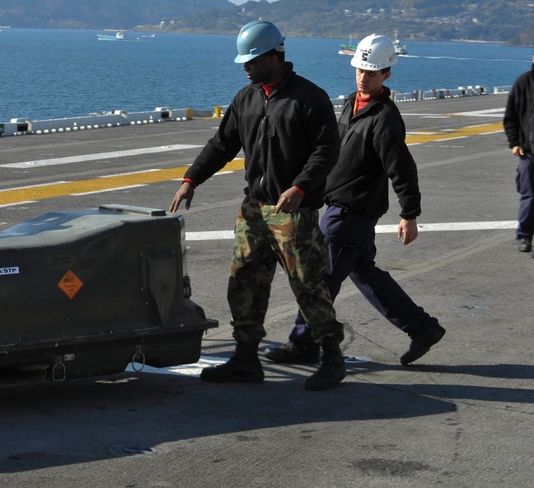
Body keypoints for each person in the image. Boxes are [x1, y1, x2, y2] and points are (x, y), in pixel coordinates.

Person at [169, 20, 346, 391]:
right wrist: (191, 178)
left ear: (273, 56)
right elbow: (222, 144)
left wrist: (300, 187)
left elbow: (327, 151)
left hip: (293, 212)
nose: (245, 67)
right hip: (254, 209)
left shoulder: (309, 98)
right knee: (244, 282)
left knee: (308, 285)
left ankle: (332, 357)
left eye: (251, 60)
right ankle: (246, 358)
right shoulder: (245, 98)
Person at [265, 34, 446, 367]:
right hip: (339, 207)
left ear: (387, 74)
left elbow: (401, 168)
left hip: (351, 212)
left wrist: (410, 214)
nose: (364, 76)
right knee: (365, 273)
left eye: (372, 72)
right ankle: (423, 329)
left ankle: (303, 344)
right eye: (361, 69)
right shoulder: (351, 103)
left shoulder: (385, 118)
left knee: (319, 279)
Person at [504, 49, 534, 255]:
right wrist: (514, 142)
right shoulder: (523, 83)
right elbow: (510, 117)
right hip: (528, 151)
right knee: (530, 196)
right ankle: (524, 235)